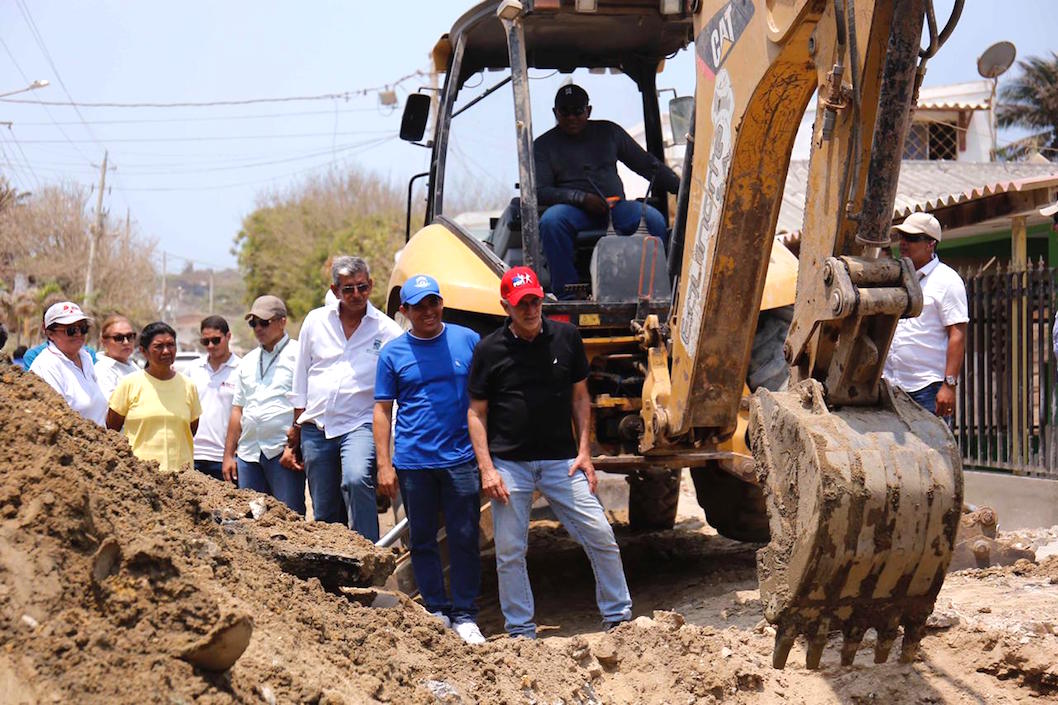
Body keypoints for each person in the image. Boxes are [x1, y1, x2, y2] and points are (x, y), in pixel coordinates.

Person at [467, 266, 632, 638]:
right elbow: (476, 413)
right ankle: (521, 631)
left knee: (601, 533)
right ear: (505, 307)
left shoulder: (567, 337)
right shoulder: (489, 349)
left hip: (563, 462)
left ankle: (619, 617)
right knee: (510, 551)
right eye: (521, 303)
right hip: (510, 465)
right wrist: (487, 469)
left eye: (535, 301)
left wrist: (585, 452)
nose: (529, 309)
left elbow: (580, 397)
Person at [374, 274, 485, 645]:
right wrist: (385, 464)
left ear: (442, 303)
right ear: (404, 311)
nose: (428, 311)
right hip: (414, 462)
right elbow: (382, 410)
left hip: (460, 459)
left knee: (465, 537)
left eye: (433, 302)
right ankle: (437, 609)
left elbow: (484, 399)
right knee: (421, 538)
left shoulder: (467, 340)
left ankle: (466, 614)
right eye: (418, 306)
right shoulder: (392, 353)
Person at [286, 255, 402, 540]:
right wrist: (297, 427)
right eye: (348, 289)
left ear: (371, 285)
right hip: (317, 426)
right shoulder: (315, 321)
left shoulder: (386, 330)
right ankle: (331, 568)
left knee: (356, 479)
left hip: (359, 423)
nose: (356, 295)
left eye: (362, 287)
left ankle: (369, 552)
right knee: (324, 506)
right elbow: (301, 376)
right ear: (335, 290)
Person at [534, 83, 680, 299]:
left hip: (616, 208)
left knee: (653, 218)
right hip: (573, 212)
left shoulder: (609, 133)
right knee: (550, 221)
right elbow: (541, 191)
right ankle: (568, 295)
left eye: (578, 111)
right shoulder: (543, 145)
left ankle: (653, 290)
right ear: (555, 113)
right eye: (565, 112)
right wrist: (580, 198)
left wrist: (682, 188)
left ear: (588, 111)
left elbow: (646, 165)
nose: (571, 117)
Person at [223, 295, 305, 514]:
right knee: (252, 522)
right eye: (253, 323)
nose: (258, 328)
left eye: (264, 322)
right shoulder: (248, 360)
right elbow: (237, 409)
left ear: (282, 321)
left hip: (282, 452)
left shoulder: (299, 354)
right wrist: (229, 456)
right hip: (249, 453)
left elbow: (305, 403)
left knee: (289, 517)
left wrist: (293, 446)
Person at [883, 211, 968, 421]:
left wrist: (949, 386)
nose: (903, 243)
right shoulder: (895, 277)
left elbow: (957, 334)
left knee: (932, 453)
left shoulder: (947, 281)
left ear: (931, 244)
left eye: (912, 238)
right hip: (890, 386)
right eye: (902, 237)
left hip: (926, 389)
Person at [107, 322, 202, 473]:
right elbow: (112, 429)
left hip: (182, 480)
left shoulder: (188, 386)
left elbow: (191, 429)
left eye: (171, 345)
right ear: (143, 351)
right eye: (158, 346)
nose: (166, 351)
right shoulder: (129, 384)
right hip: (141, 477)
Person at [29, 301, 108, 426]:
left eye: (83, 329)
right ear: (50, 333)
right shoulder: (46, 366)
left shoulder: (85, 357)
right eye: (71, 330)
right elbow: (57, 420)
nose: (78, 334)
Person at [189, 315, 241, 482]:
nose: (210, 346)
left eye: (216, 340)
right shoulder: (193, 369)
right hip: (193, 456)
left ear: (228, 336)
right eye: (205, 342)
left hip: (225, 459)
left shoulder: (242, 369)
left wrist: (231, 455)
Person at [94, 314, 139, 400]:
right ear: (103, 342)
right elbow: (112, 407)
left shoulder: (132, 365)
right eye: (119, 338)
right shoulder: (102, 370)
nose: (126, 342)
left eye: (130, 336)